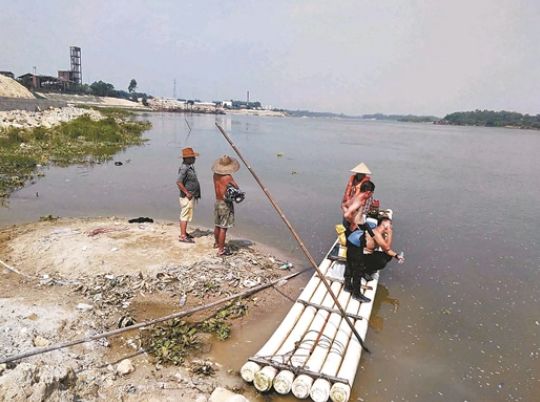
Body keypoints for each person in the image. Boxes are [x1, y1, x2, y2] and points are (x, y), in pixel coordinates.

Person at [342, 180, 376, 302]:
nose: (371, 196)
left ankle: (347, 285)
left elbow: (344, 205)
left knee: (350, 259)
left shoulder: (354, 196)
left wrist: (350, 223)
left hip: (351, 233)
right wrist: (353, 223)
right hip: (356, 233)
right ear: (368, 192)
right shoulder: (361, 200)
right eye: (371, 193)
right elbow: (347, 214)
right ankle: (356, 293)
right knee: (358, 265)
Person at [212, 155, 240, 256]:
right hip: (225, 203)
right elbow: (236, 187)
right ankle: (221, 249)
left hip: (217, 201)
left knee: (217, 224)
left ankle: (216, 243)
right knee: (223, 227)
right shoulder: (228, 177)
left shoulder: (215, 175)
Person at [176, 147, 201, 243]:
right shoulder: (184, 168)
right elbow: (178, 182)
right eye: (192, 157)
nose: (194, 158)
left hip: (190, 195)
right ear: (187, 158)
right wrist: (186, 193)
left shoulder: (190, 166)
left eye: (193, 157)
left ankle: (184, 233)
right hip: (186, 196)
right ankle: (183, 236)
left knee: (187, 214)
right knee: (184, 215)